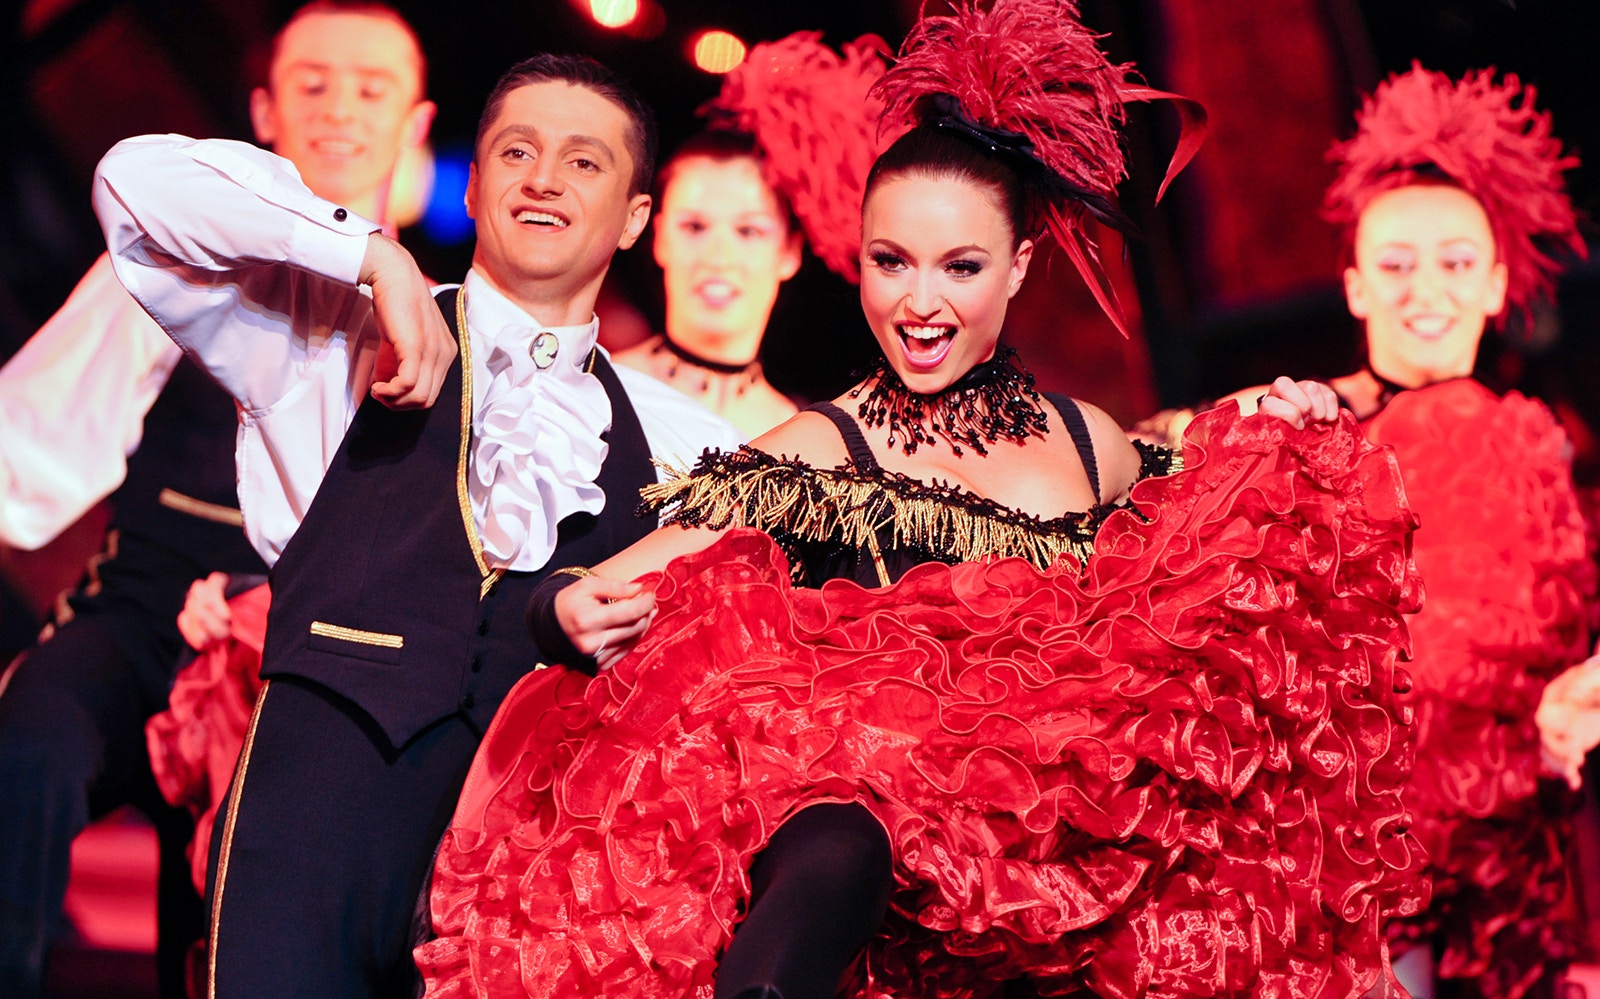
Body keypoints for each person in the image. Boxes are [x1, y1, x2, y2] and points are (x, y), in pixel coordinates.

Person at [417, 3, 1426, 997]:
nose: (919, 302)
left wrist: (1282, 433)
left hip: (1073, 921)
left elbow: (1217, 574)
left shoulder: (1096, 446)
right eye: (890, 263)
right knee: (830, 847)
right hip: (891, 934)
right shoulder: (819, 448)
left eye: (961, 266)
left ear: (1021, 267)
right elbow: (596, 586)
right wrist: (559, 604)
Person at [94, 49, 740, 998]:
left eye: (585, 161)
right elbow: (135, 185)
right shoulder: (330, 337)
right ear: (474, 186)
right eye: (517, 152)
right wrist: (374, 259)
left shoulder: (684, 440)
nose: (546, 178)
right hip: (305, 845)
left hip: (517, 892)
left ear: (637, 217)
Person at [0, 3, 434, 995]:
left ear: (413, 127)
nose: (339, 112)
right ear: (262, 111)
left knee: (220, 911)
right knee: (30, 744)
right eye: (311, 86)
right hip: (142, 621)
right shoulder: (170, 261)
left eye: (372, 91)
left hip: (294, 663)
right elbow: (28, 446)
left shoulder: (440, 324)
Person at [1226, 64, 1594, 999]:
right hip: (1346, 861)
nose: (1424, 288)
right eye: (1395, 265)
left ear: (1499, 280)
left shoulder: (1543, 444)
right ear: (1352, 287)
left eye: (1456, 263)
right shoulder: (1290, 421)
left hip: (1519, 858)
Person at [613, 33, 888, 438]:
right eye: (694, 227)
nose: (718, 257)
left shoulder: (807, 439)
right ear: (659, 237)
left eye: (749, 230)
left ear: (790, 251)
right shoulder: (595, 387)